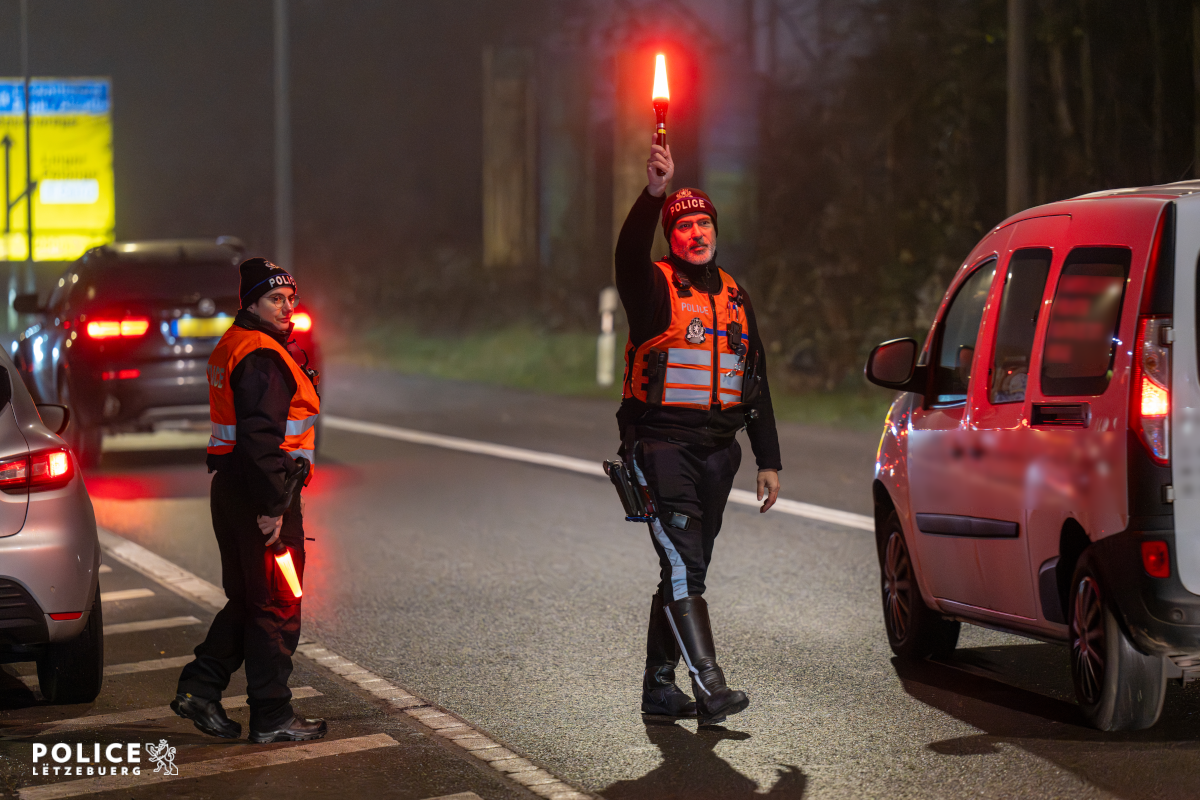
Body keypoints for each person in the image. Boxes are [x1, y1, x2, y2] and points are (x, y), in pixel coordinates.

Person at [617, 140, 782, 724]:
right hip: (660, 447)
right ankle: (709, 684)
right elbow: (627, 252)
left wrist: (768, 458)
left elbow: (754, 378)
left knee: (687, 569)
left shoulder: (735, 295)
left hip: (718, 454)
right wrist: (653, 192)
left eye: (703, 223)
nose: (695, 233)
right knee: (685, 566)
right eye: (683, 225)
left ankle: (659, 689)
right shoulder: (652, 287)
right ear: (671, 236)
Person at [171, 258, 325, 743]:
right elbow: (261, 438)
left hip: (234, 491)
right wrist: (274, 507)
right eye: (274, 299)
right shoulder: (261, 356)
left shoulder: (235, 345)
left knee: (250, 600)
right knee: (277, 605)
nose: (286, 307)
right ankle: (273, 715)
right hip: (263, 496)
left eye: (290, 298)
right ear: (252, 304)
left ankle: (201, 688)